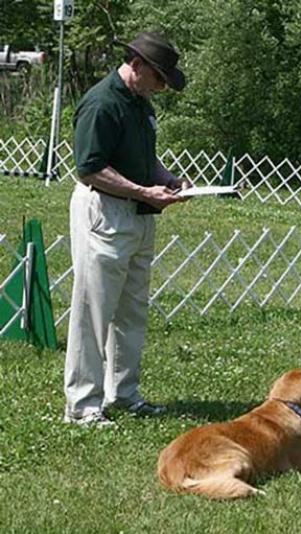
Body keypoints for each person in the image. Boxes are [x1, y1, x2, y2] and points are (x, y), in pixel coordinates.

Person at [63, 32, 192, 426]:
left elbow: (144, 158)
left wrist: (169, 180)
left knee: (131, 310)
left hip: (137, 213)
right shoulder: (102, 103)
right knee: (93, 310)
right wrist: (143, 190)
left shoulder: (140, 103)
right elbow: (90, 167)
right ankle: (82, 405)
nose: (161, 87)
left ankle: (123, 394)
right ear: (135, 65)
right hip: (105, 211)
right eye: (158, 78)